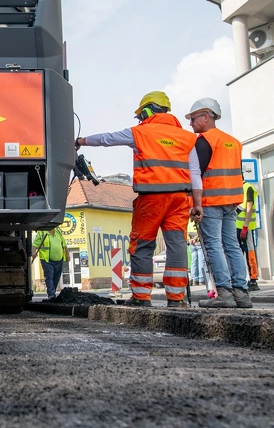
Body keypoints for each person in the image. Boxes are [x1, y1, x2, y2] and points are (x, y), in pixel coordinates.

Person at [75, 91, 201, 307]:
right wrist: (198, 204)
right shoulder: (188, 138)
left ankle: (142, 297)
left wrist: (80, 141)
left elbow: (108, 139)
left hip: (151, 198)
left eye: (141, 115)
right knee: (177, 246)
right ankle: (176, 298)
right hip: (180, 199)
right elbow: (195, 172)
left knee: (142, 245)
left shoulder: (140, 132)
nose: (141, 119)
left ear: (148, 110)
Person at [185, 98, 252, 308]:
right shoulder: (233, 142)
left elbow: (196, 174)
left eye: (193, 118)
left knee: (214, 245)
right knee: (232, 246)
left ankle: (224, 293)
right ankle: (241, 293)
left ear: (206, 116)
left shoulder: (203, 141)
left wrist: (193, 204)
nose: (190, 123)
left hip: (211, 201)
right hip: (231, 202)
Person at [32, 225, 68, 300]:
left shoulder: (58, 232)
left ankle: (52, 292)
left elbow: (64, 244)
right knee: (49, 276)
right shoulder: (41, 233)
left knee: (56, 277)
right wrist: (33, 253)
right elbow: (35, 244)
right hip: (46, 260)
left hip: (59, 259)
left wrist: (67, 254)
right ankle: (51, 294)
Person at [236, 181, 260, 290]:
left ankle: (253, 280)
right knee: (238, 253)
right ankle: (239, 279)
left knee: (249, 251)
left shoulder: (247, 188)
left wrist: (245, 227)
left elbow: (249, 208)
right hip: (237, 226)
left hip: (246, 227)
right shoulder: (237, 188)